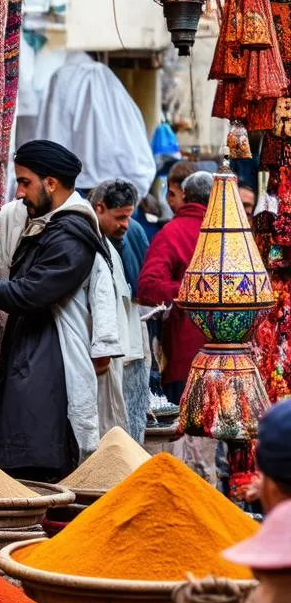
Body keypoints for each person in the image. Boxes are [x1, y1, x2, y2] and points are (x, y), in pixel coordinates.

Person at [0, 140, 117, 481]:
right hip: (29, 354)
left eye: (25, 182)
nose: (19, 193)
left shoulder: (72, 234)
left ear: (51, 183)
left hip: (49, 363)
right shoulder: (47, 225)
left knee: (37, 462)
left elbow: (34, 291)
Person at [137, 170, 213, 403]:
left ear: (185, 196)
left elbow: (148, 287)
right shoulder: (234, 233)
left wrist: (189, 291)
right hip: (234, 357)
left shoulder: (171, 233)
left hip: (186, 357)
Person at [91, 179, 151, 443]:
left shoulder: (132, 232)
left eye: (129, 216)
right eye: (120, 217)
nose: (125, 224)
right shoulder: (91, 236)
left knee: (126, 416)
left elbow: (141, 286)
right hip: (108, 343)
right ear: (99, 208)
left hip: (130, 332)